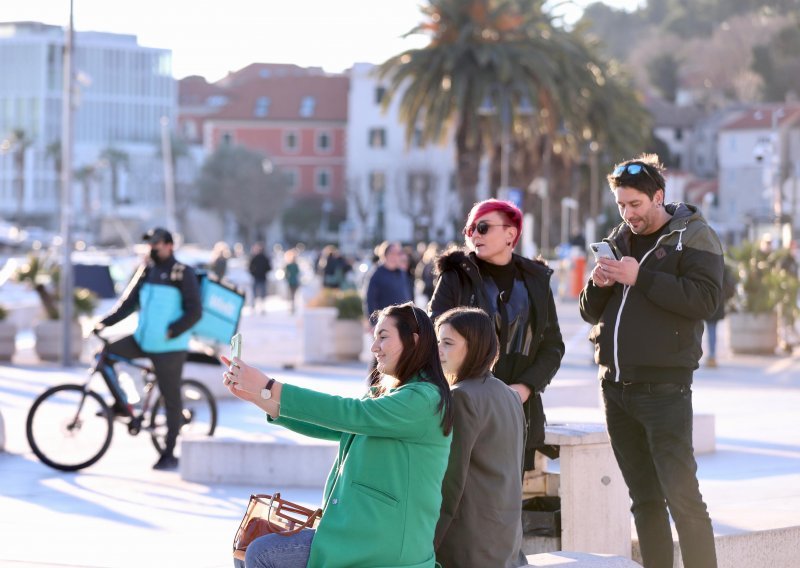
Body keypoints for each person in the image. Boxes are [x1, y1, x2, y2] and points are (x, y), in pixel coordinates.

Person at [222, 302, 453, 568]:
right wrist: (258, 397)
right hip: (360, 533)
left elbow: (349, 414)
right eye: (374, 337)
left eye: (383, 337)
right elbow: (336, 424)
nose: (374, 347)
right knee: (251, 546)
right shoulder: (390, 393)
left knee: (262, 552)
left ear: (413, 341)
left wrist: (268, 387)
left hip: (382, 544)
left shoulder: (423, 398)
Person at [578, 154, 722, 568]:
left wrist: (640, 277)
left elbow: (706, 300)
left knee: (683, 499)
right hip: (615, 389)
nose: (628, 214)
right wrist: (599, 282)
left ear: (658, 196)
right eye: (621, 205)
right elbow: (590, 311)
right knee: (643, 500)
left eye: (635, 205)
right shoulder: (621, 236)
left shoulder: (693, 236)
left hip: (664, 391)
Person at [429, 198, 564, 471]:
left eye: (482, 227)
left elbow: (552, 346)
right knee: (461, 495)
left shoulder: (536, 280)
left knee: (512, 500)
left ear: (510, 234)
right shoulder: (456, 277)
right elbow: (436, 335)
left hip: (519, 410)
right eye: (470, 230)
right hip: (466, 404)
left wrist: (525, 388)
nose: (474, 235)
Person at [94, 227, 202, 470]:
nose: (151, 248)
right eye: (149, 244)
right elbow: (127, 305)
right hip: (142, 340)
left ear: (169, 246)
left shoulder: (183, 272)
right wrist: (103, 322)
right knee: (105, 355)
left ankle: (168, 453)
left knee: (171, 400)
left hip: (170, 347)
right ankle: (122, 405)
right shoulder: (146, 270)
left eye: (156, 244)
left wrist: (173, 330)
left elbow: (195, 311)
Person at [434, 307, 526, 568]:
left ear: (473, 348)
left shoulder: (461, 396)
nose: (439, 350)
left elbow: (452, 480)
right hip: (505, 538)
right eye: (438, 341)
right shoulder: (509, 394)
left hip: (469, 542)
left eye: (448, 343)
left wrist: (429, 541)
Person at [364, 241, 413, 330]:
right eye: (393, 253)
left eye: (399, 253)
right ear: (385, 254)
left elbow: (408, 295)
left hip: (403, 322)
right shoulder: (376, 274)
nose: (396, 256)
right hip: (385, 323)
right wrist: (373, 323)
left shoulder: (402, 273)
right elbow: (370, 300)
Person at [704, 263, 736, 368]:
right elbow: (731, 287)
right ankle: (712, 355)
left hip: (710, 301)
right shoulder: (723, 267)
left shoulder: (708, 265)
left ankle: (712, 355)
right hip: (717, 301)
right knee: (711, 328)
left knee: (710, 328)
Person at [248, 242, 271, 314]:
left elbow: (269, 267)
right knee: (257, 293)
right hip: (258, 277)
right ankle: (254, 307)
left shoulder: (264, 258)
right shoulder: (255, 258)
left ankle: (260, 307)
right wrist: (254, 273)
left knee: (260, 293)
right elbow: (250, 267)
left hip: (261, 277)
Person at [283, 248, 301, 315]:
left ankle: (292, 306)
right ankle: (292, 306)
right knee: (292, 295)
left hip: (292, 282)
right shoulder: (290, 266)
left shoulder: (292, 265)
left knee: (292, 295)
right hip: (292, 282)